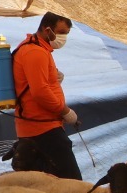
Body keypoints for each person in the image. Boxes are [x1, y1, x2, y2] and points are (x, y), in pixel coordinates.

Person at [11, 12, 82, 179]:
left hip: (37, 127)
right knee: (72, 184)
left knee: (48, 186)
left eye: (66, 34)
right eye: (61, 32)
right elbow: (40, 92)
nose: (63, 37)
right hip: (43, 130)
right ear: (46, 28)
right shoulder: (35, 52)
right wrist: (65, 111)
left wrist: (54, 78)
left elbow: (37, 84)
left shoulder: (35, 48)